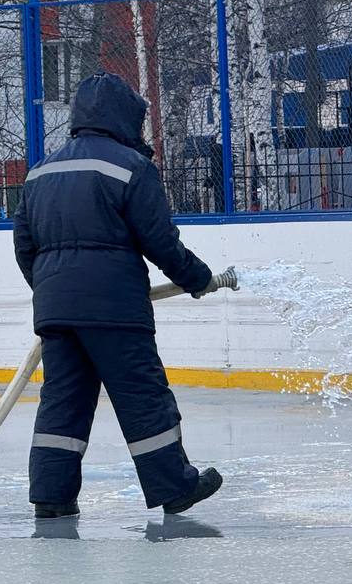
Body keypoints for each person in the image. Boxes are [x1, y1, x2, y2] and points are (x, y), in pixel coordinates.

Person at [13, 71, 223, 520]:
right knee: (142, 396)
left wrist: (56, 293)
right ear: (125, 117)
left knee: (63, 402)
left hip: (57, 310)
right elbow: (160, 240)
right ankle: (175, 486)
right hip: (114, 309)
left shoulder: (40, 171)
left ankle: (52, 496)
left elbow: (24, 247)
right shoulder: (131, 167)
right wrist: (197, 277)